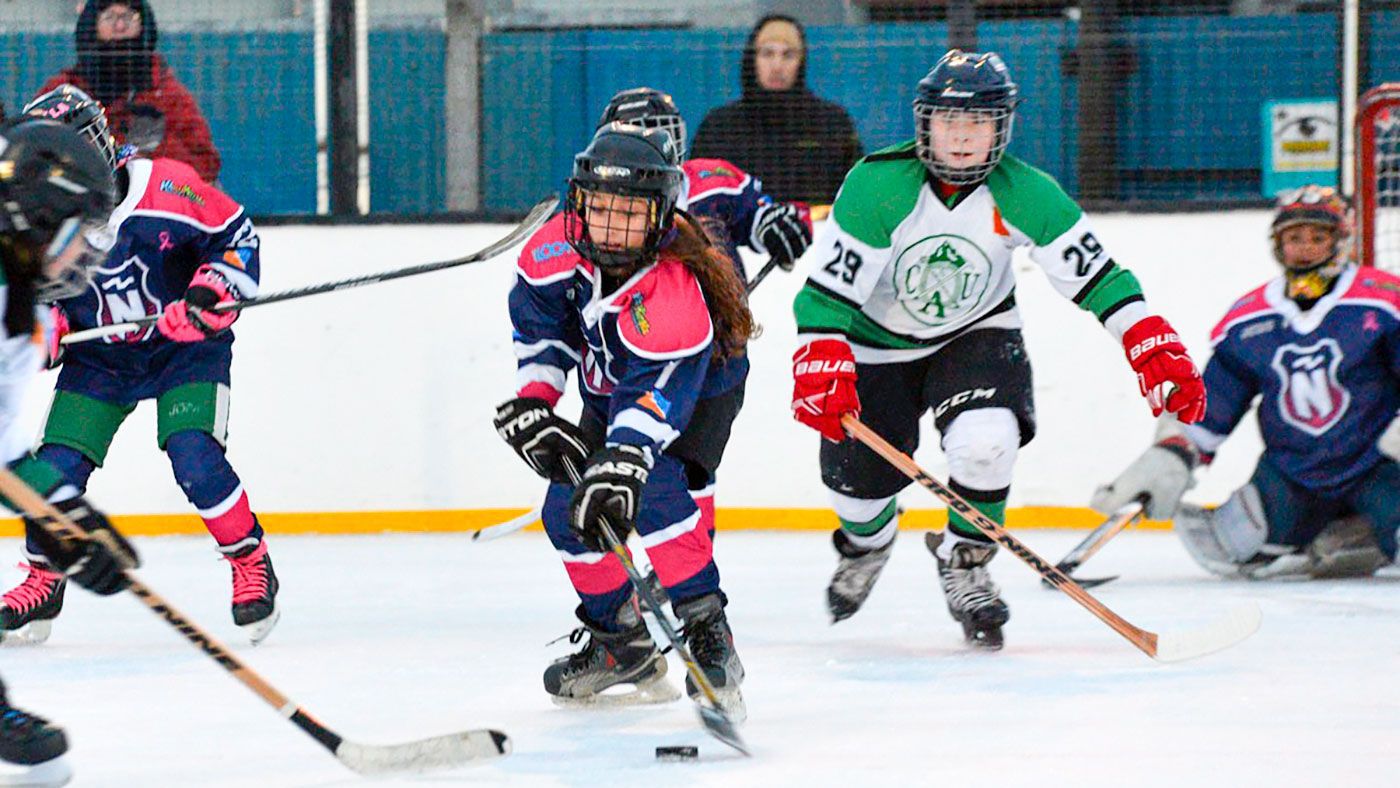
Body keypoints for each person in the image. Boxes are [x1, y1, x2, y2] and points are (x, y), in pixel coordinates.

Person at [788, 49, 1207, 650]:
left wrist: (1147, 336)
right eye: (948, 121)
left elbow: (1100, 276)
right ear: (924, 123)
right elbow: (826, 297)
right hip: (876, 344)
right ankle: (868, 545)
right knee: (858, 495)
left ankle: (965, 562)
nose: (961, 137)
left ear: (1001, 128)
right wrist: (821, 357)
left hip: (974, 333)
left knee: (987, 442)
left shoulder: (1026, 192)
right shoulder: (878, 186)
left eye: (978, 123)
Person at [0, 84, 278, 647]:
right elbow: (32, 298)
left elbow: (234, 236)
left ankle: (249, 558)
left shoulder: (168, 187)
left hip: (183, 350)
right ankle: (42, 578)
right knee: (56, 464)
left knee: (193, 455)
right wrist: (45, 330)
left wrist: (208, 295)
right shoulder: (38, 218)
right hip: (99, 361)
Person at [494, 123, 753, 718]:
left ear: (660, 217)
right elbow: (543, 333)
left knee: (652, 487)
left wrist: (625, 458)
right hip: (611, 385)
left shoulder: (674, 294)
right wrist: (535, 402)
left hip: (699, 389)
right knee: (565, 513)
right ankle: (623, 643)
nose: (608, 226)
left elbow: (654, 401)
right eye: (599, 208)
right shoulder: (554, 251)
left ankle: (709, 630)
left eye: (628, 213)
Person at [1093, 185, 1400, 580]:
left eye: (1318, 237)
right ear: (1277, 243)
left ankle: (1368, 530)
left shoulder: (1383, 301)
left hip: (1375, 465)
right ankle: (1343, 534)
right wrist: (1173, 453)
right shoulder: (1248, 320)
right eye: (1294, 238)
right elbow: (1215, 402)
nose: (1304, 248)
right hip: (1292, 474)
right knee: (1241, 550)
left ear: (1341, 241)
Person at [0, 116, 140, 787]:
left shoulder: (18, 311)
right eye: (78, 236)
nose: (87, 255)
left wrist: (70, 521)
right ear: (35, 217)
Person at [37, 0, 221, 182]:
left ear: (143, 25)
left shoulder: (166, 94)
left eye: (129, 17)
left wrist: (147, 158)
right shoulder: (66, 92)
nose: (120, 26)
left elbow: (204, 164)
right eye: (109, 17)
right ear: (92, 26)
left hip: (149, 201)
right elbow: (33, 150)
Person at [690, 14, 862, 206]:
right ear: (752, 60)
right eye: (767, 53)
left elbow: (856, 195)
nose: (777, 66)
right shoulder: (719, 127)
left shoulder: (831, 124)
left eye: (788, 55)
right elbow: (698, 198)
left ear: (801, 62)